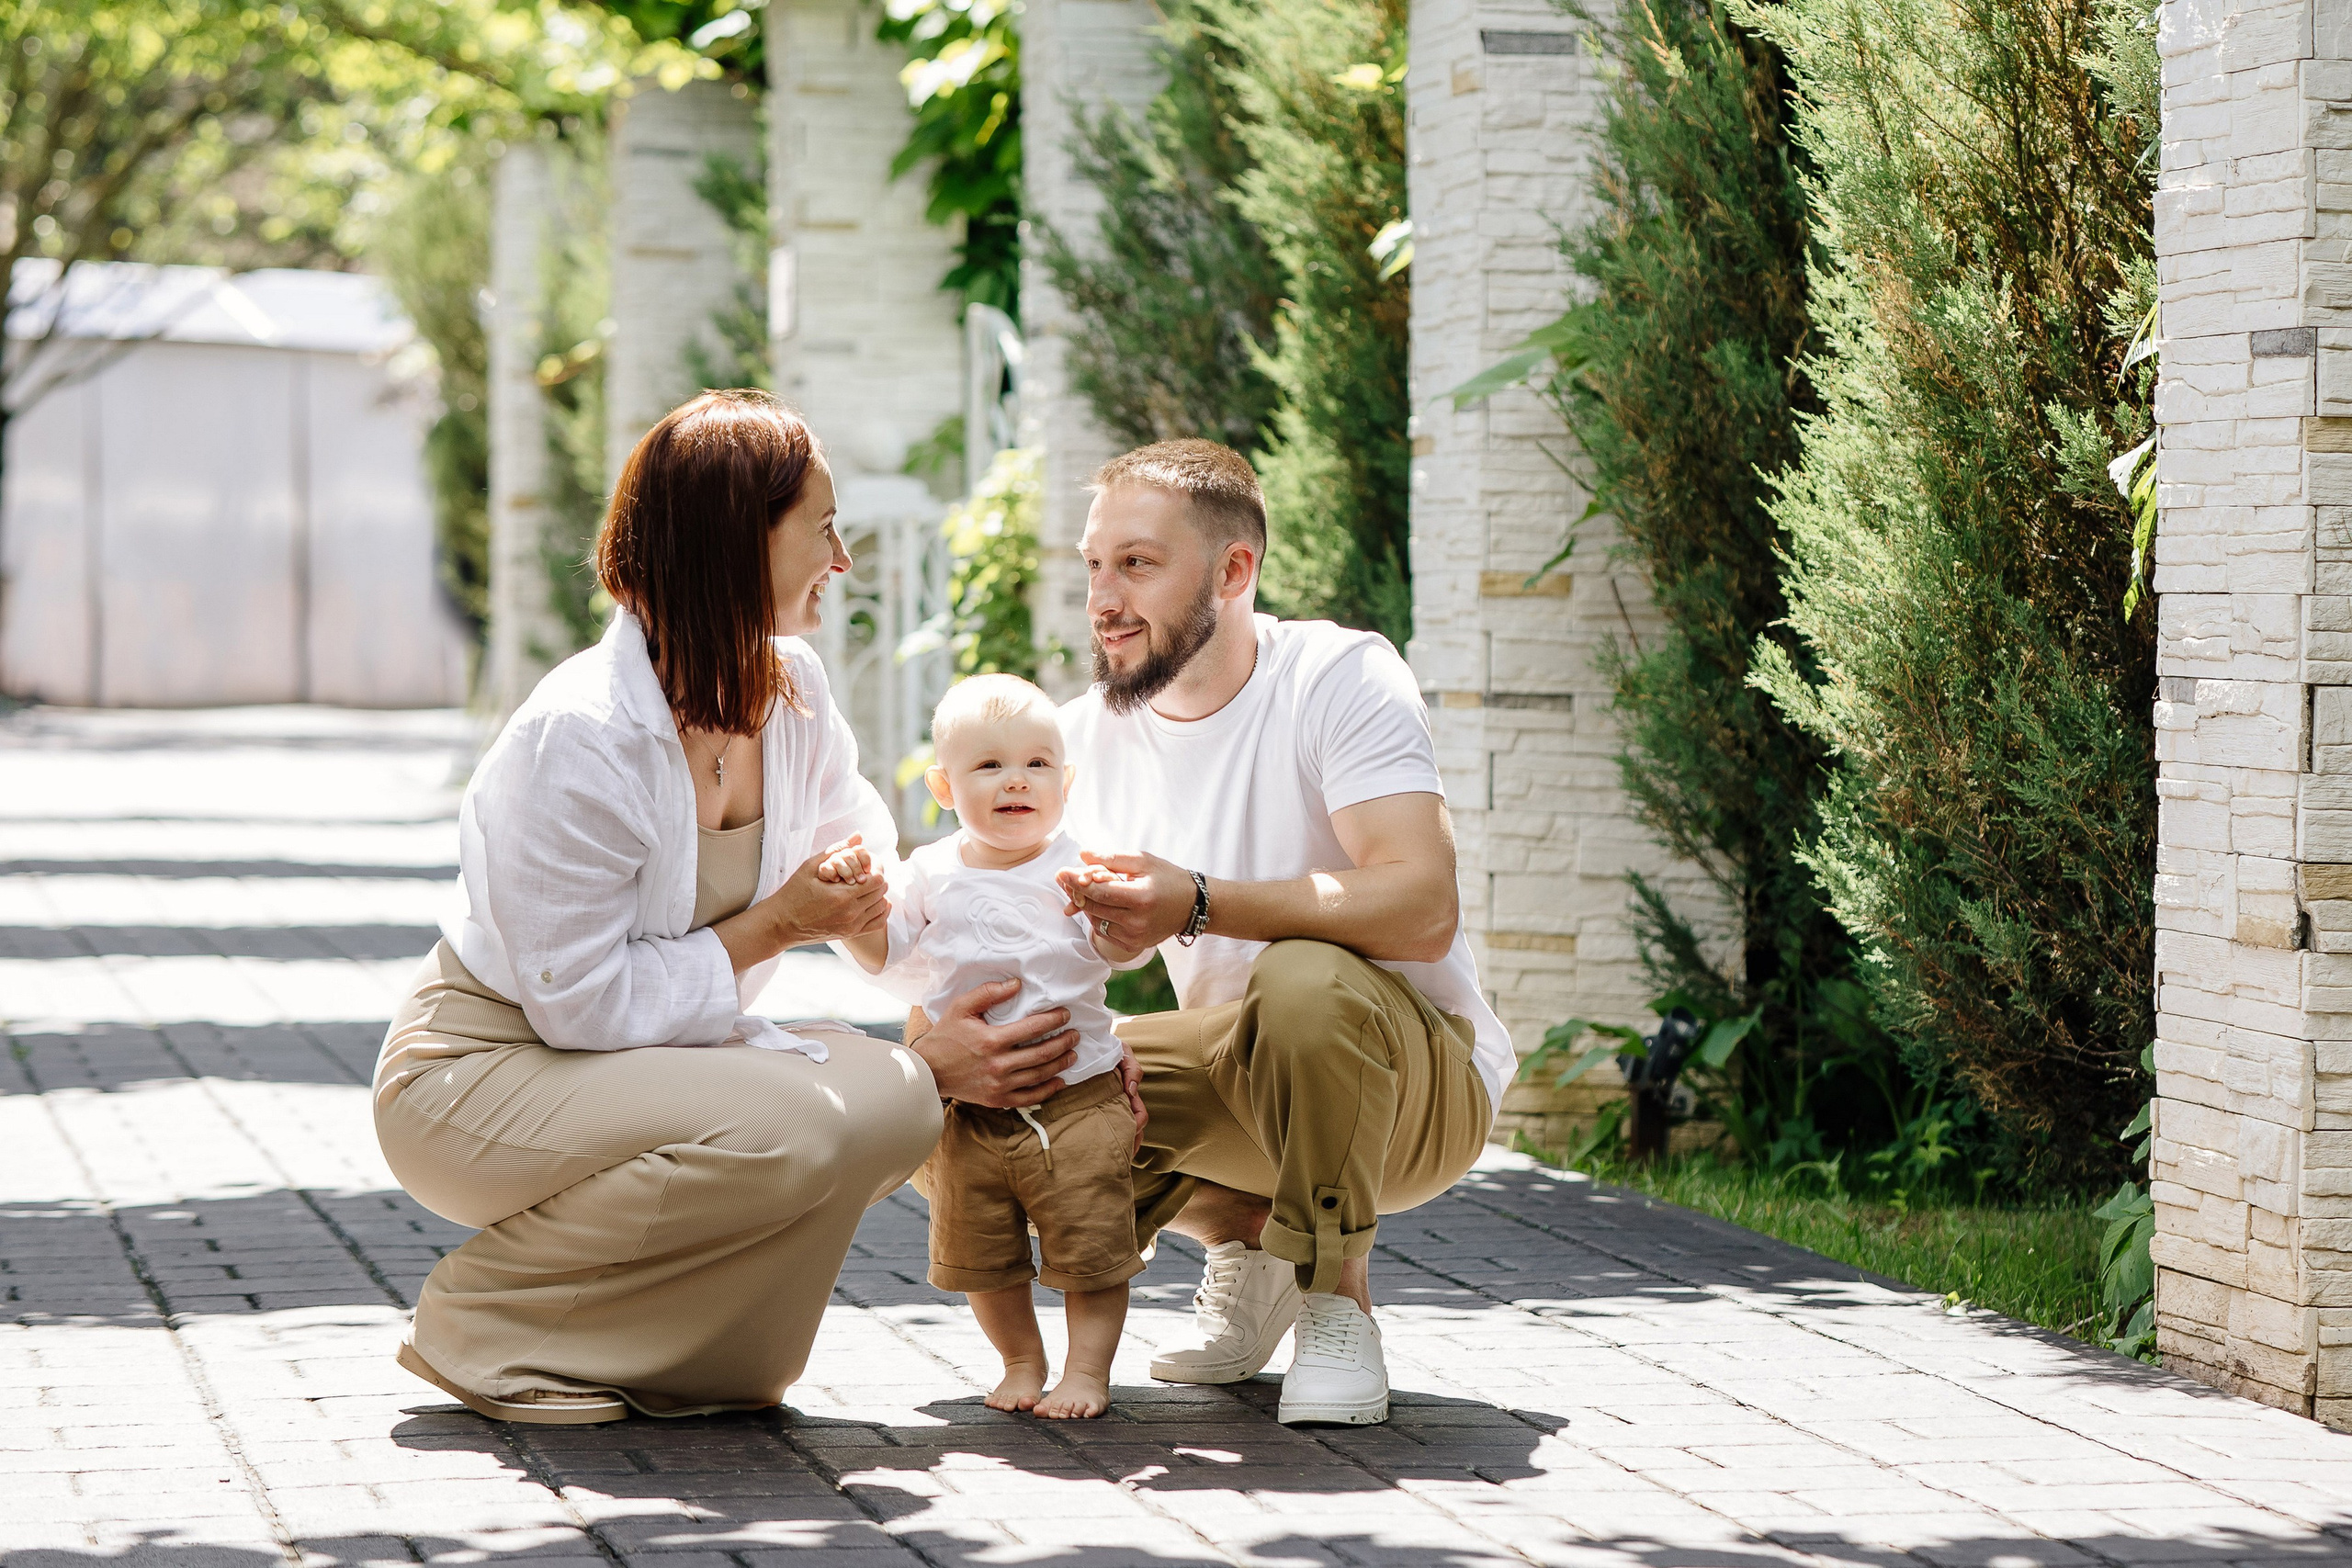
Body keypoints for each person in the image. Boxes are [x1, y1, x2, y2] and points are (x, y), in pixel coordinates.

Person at [371, 390, 1087, 1424]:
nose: (841, 561)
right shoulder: (580, 735)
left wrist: (1029, 977)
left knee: (894, 1099)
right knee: (805, 1120)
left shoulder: (791, 689)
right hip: (485, 1074)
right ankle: (479, 1330)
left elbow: (876, 883)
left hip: (654, 1062)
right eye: (823, 530)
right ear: (735, 542)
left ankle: (688, 1361)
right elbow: (582, 1008)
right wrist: (782, 925)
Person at [1054, 439, 1515, 1427]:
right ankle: (1249, 1252)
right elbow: (1052, 945)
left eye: (1137, 564)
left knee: (1304, 980)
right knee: (980, 1087)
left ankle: (1336, 1305)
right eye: (1092, 565)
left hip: (1414, 1087)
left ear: (1233, 572)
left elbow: (1421, 907)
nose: (1102, 597)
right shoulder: (1084, 735)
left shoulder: (1338, 675)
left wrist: (1198, 901)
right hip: (1247, 1085)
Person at [834, 674, 1152, 1418]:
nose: (1017, 779)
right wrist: (854, 914)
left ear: (1065, 781)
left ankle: (1086, 1371)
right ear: (945, 786)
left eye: (1038, 763)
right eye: (989, 766)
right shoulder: (930, 874)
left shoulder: (1081, 865)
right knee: (981, 1249)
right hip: (970, 1114)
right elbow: (893, 957)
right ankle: (1019, 1358)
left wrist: (1109, 915)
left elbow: (1125, 956)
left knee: (1092, 1241)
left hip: (1077, 1094)